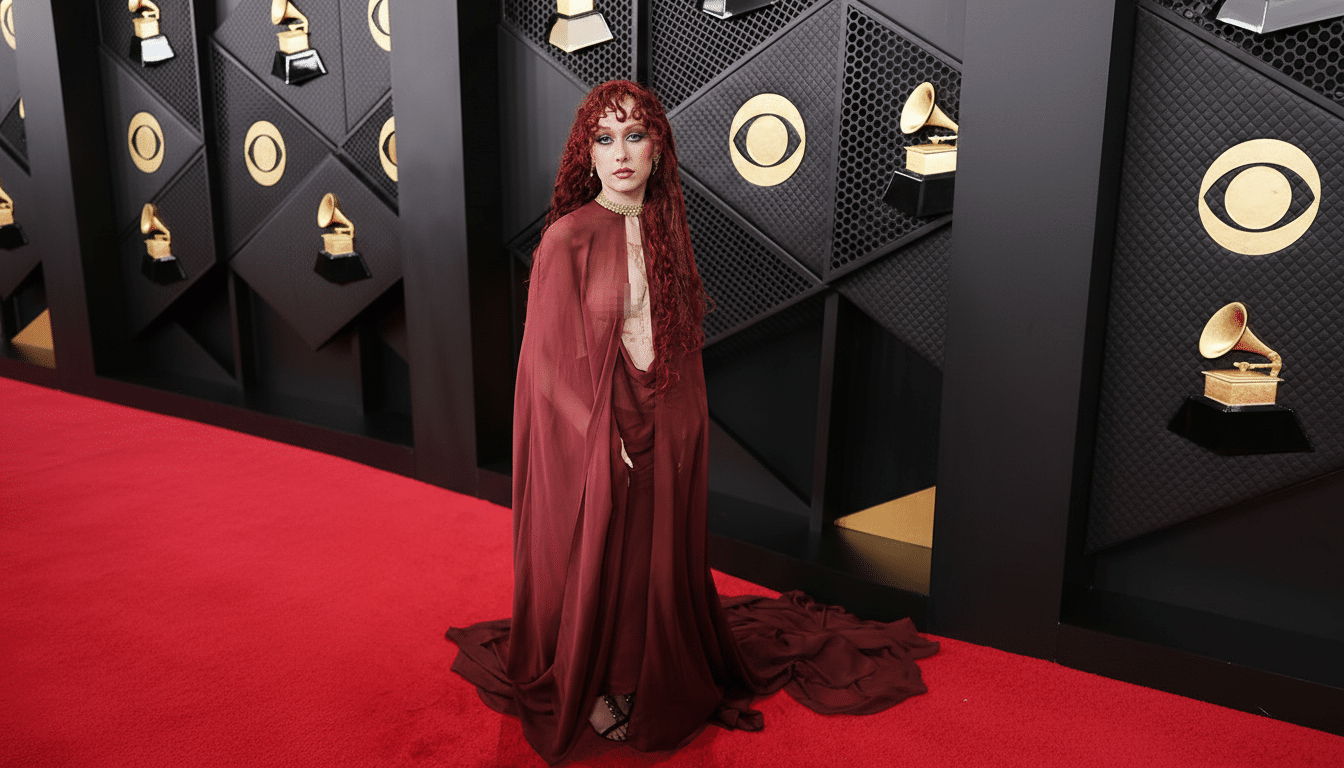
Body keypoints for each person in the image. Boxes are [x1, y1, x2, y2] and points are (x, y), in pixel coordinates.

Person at [446, 80, 938, 765]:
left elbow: (676, 341)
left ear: (658, 150)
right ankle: (604, 683)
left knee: (657, 554)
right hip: (600, 422)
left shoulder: (666, 229)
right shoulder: (566, 239)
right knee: (607, 556)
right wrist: (602, 437)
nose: (621, 153)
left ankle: (652, 668)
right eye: (605, 138)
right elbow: (545, 368)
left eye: (635, 136)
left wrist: (682, 425)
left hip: (666, 416)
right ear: (587, 153)